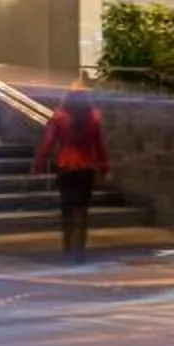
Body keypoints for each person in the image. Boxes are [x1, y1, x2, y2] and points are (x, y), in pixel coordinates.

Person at [34, 94, 111, 262]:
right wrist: (105, 169)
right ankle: (79, 252)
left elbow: (49, 142)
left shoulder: (59, 118)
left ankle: (67, 248)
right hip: (85, 168)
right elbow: (99, 146)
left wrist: (38, 165)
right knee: (82, 211)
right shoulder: (93, 119)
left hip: (65, 167)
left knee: (66, 210)